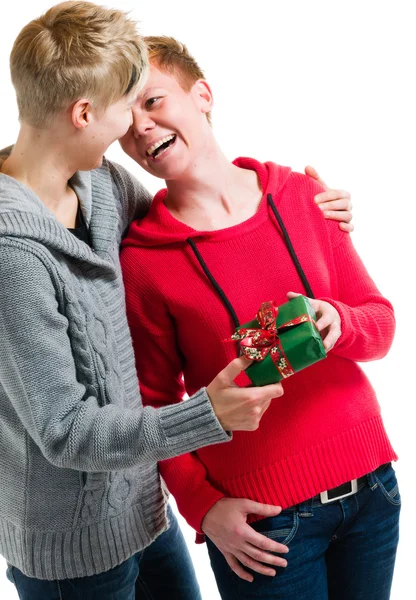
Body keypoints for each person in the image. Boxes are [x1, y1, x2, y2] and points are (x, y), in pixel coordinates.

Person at [0, 4, 309, 599]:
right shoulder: (13, 257)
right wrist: (207, 416)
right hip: (72, 554)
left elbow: (186, 230)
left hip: (144, 513)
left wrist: (293, 201)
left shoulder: (101, 184)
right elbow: (65, 433)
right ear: (84, 113)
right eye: (126, 104)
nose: (133, 126)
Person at [120, 36, 399, 600]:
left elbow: (381, 324)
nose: (141, 126)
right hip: (265, 526)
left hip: (374, 489)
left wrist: (338, 321)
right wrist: (203, 508)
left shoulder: (303, 196)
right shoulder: (144, 259)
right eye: (123, 121)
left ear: (202, 94)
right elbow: (151, 406)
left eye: (151, 101)